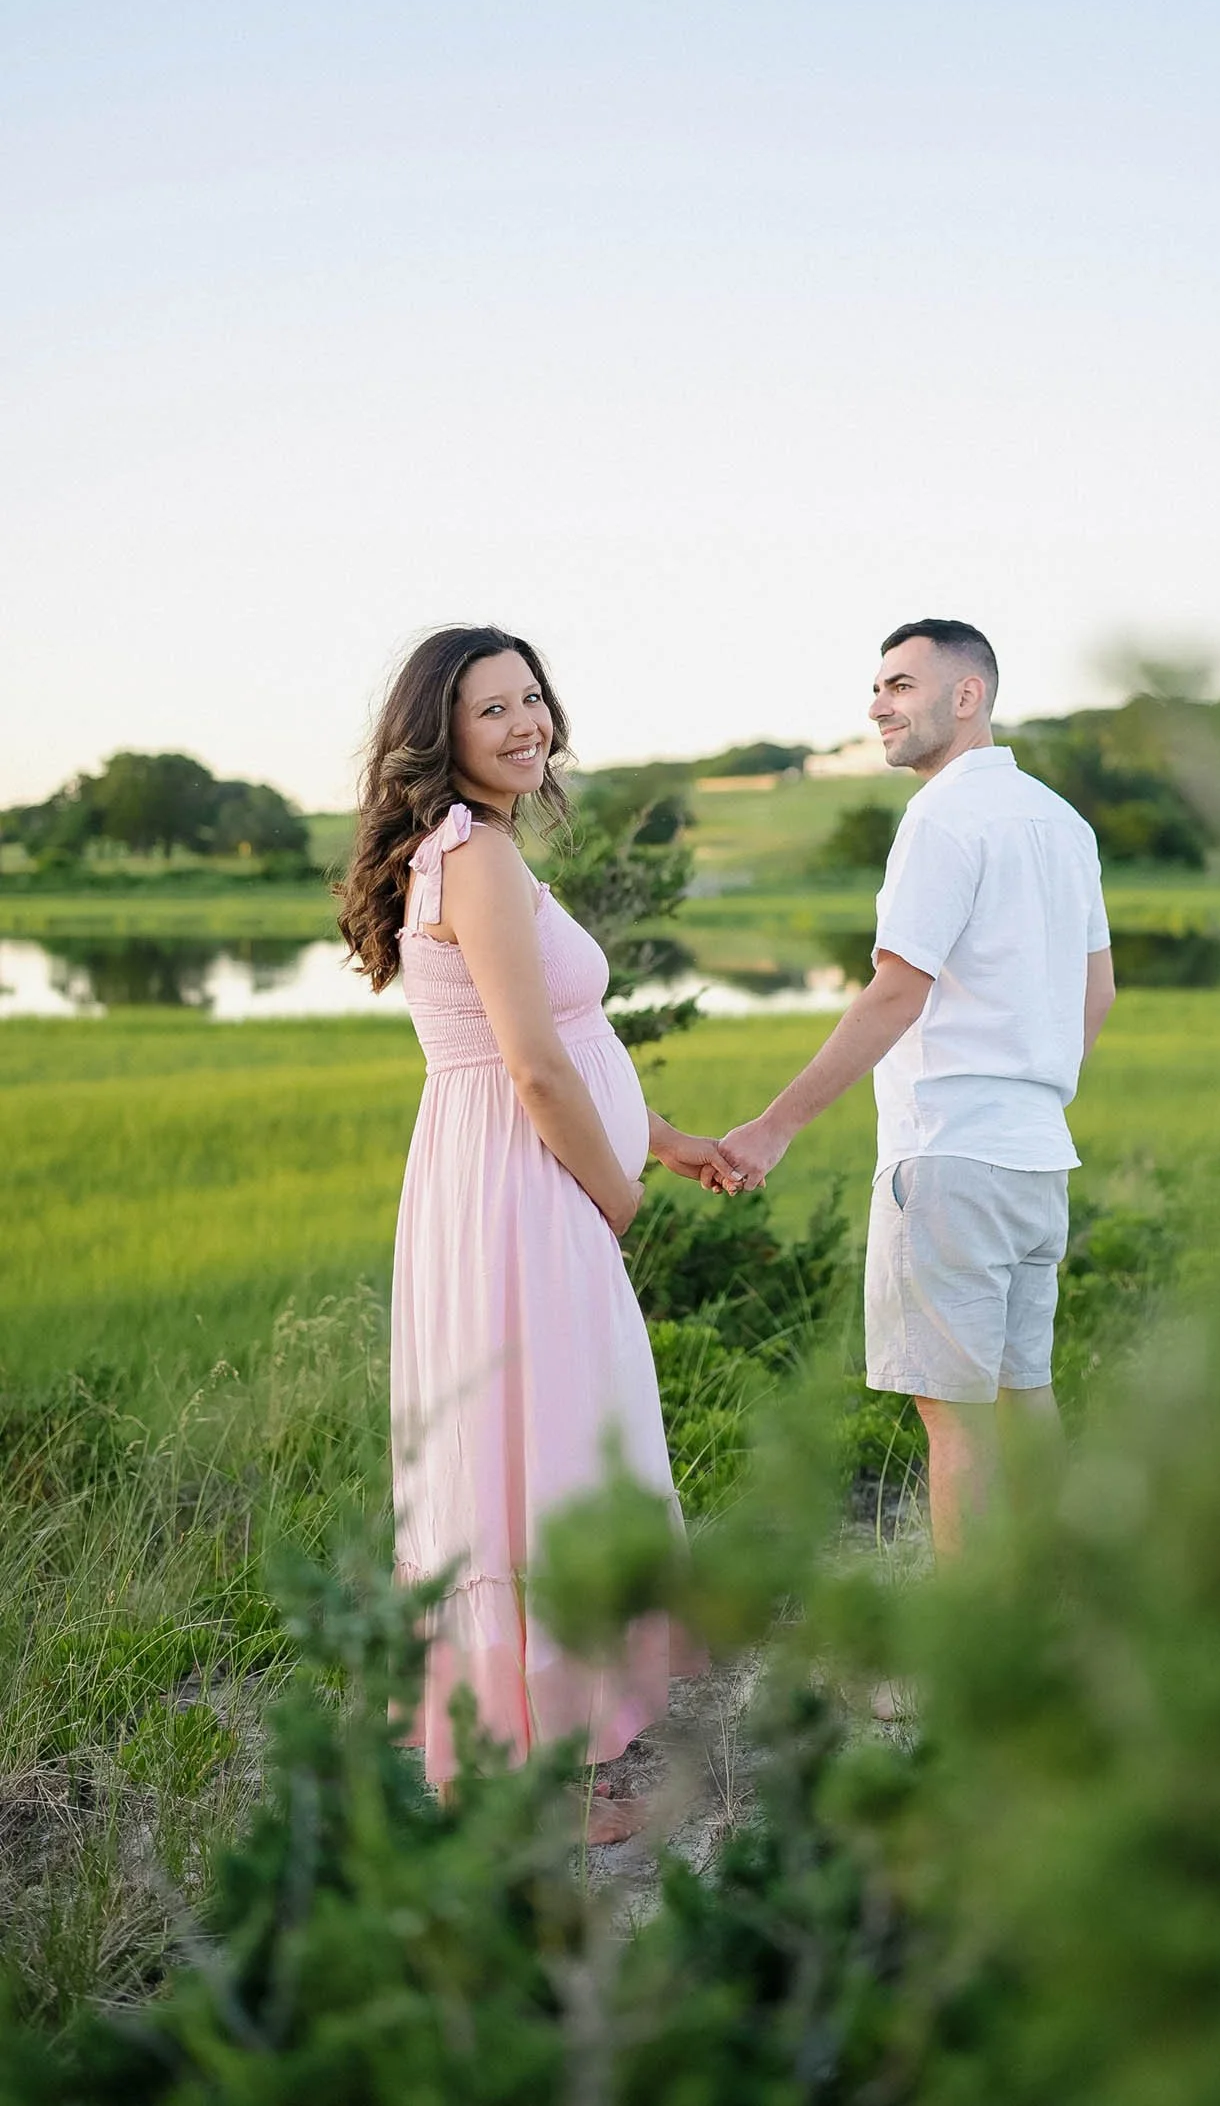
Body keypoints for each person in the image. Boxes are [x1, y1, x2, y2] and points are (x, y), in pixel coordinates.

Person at [338, 624, 734, 1837]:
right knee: (546, 1448)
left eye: (532, 700)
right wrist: (615, 1191)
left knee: (515, 1445)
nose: (524, 725)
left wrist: (660, 1135)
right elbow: (531, 1065)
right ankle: (530, 1783)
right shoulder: (480, 860)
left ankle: (502, 1756)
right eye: (490, 710)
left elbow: (566, 1047)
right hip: (526, 1186)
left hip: (499, 1175)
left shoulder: (468, 849)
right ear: (439, 735)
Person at [719, 620, 1115, 1557]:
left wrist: (775, 1126)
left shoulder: (940, 818)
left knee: (959, 1425)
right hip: (1033, 1158)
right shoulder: (1061, 821)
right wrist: (1032, 1087)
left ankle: (977, 1666)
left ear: (965, 696)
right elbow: (1096, 990)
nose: (876, 706)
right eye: (877, 687)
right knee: (1026, 1403)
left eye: (899, 685)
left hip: (947, 1157)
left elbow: (898, 988)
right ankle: (1059, 1627)